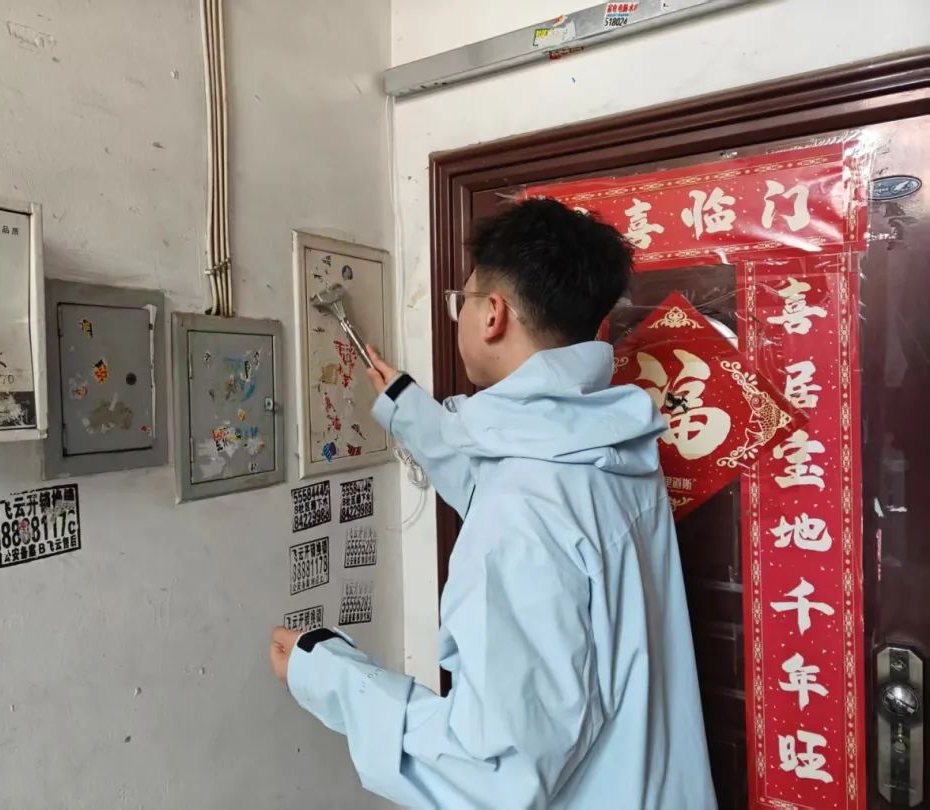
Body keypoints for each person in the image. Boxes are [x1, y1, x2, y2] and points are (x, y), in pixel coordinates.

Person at [269, 198, 717, 809]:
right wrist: (410, 412)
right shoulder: (609, 448)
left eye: (463, 300)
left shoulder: (522, 513)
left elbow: (493, 778)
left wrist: (330, 675)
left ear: (492, 315)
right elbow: (513, 481)